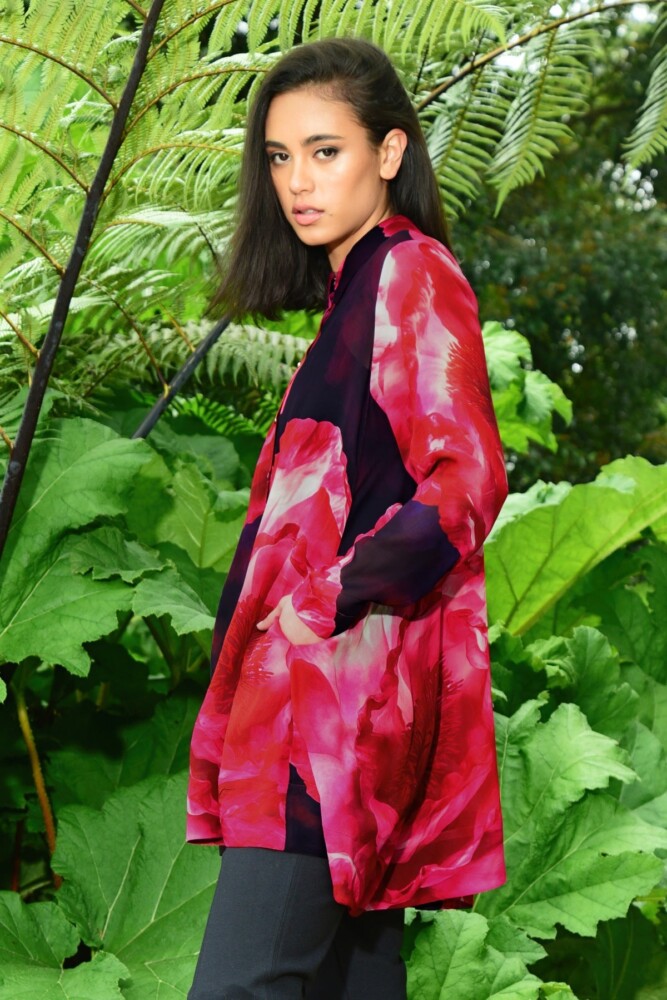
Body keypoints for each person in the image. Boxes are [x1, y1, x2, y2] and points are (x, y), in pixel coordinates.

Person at [186, 36, 508, 1000]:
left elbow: (468, 478)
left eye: (325, 151)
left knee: (241, 985)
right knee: (351, 987)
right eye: (280, 157)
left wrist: (324, 601)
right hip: (334, 711)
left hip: (325, 714)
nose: (297, 181)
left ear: (390, 151)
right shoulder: (352, 295)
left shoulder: (410, 273)